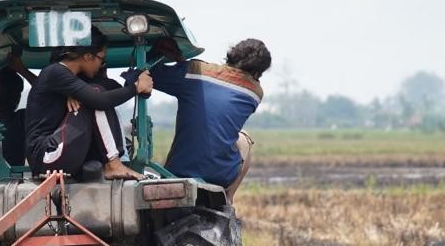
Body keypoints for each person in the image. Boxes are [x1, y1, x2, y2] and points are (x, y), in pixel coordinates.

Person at [149, 37, 271, 199]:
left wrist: (168, 56)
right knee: (244, 138)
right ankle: (229, 199)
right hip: (222, 175)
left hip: (178, 171)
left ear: (231, 55)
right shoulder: (254, 93)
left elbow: (151, 73)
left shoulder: (195, 71)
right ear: (257, 73)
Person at [25, 28, 152, 181]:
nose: (101, 66)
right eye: (101, 60)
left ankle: (113, 163)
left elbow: (111, 88)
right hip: (46, 154)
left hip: (59, 153)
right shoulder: (55, 72)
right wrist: (136, 88)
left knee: (94, 93)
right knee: (95, 95)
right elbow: (100, 100)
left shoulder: (69, 80)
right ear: (87, 56)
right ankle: (113, 165)